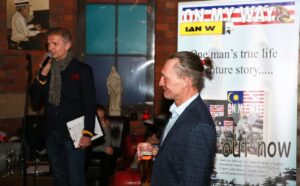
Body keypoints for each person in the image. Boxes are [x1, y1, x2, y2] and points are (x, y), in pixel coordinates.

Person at [137, 51, 217, 185]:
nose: (160, 83)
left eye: (165, 78)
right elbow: (179, 154)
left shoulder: (199, 126)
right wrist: (155, 150)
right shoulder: (178, 111)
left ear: (185, 82)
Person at [30, 27, 97, 186]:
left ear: (67, 45)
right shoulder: (47, 70)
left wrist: (87, 132)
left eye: (55, 44)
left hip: (74, 133)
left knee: (75, 179)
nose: (50, 48)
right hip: (51, 132)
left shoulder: (82, 70)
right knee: (59, 178)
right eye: (48, 44)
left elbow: (90, 103)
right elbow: (35, 100)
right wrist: (42, 76)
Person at [89, 105, 114, 186]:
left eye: (102, 118)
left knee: (108, 154)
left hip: (100, 151)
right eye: (98, 118)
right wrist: (104, 149)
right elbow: (90, 146)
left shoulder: (105, 124)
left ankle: (103, 184)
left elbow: (108, 144)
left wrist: (106, 129)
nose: (100, 120)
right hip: (89, 150)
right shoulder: (89, 126)